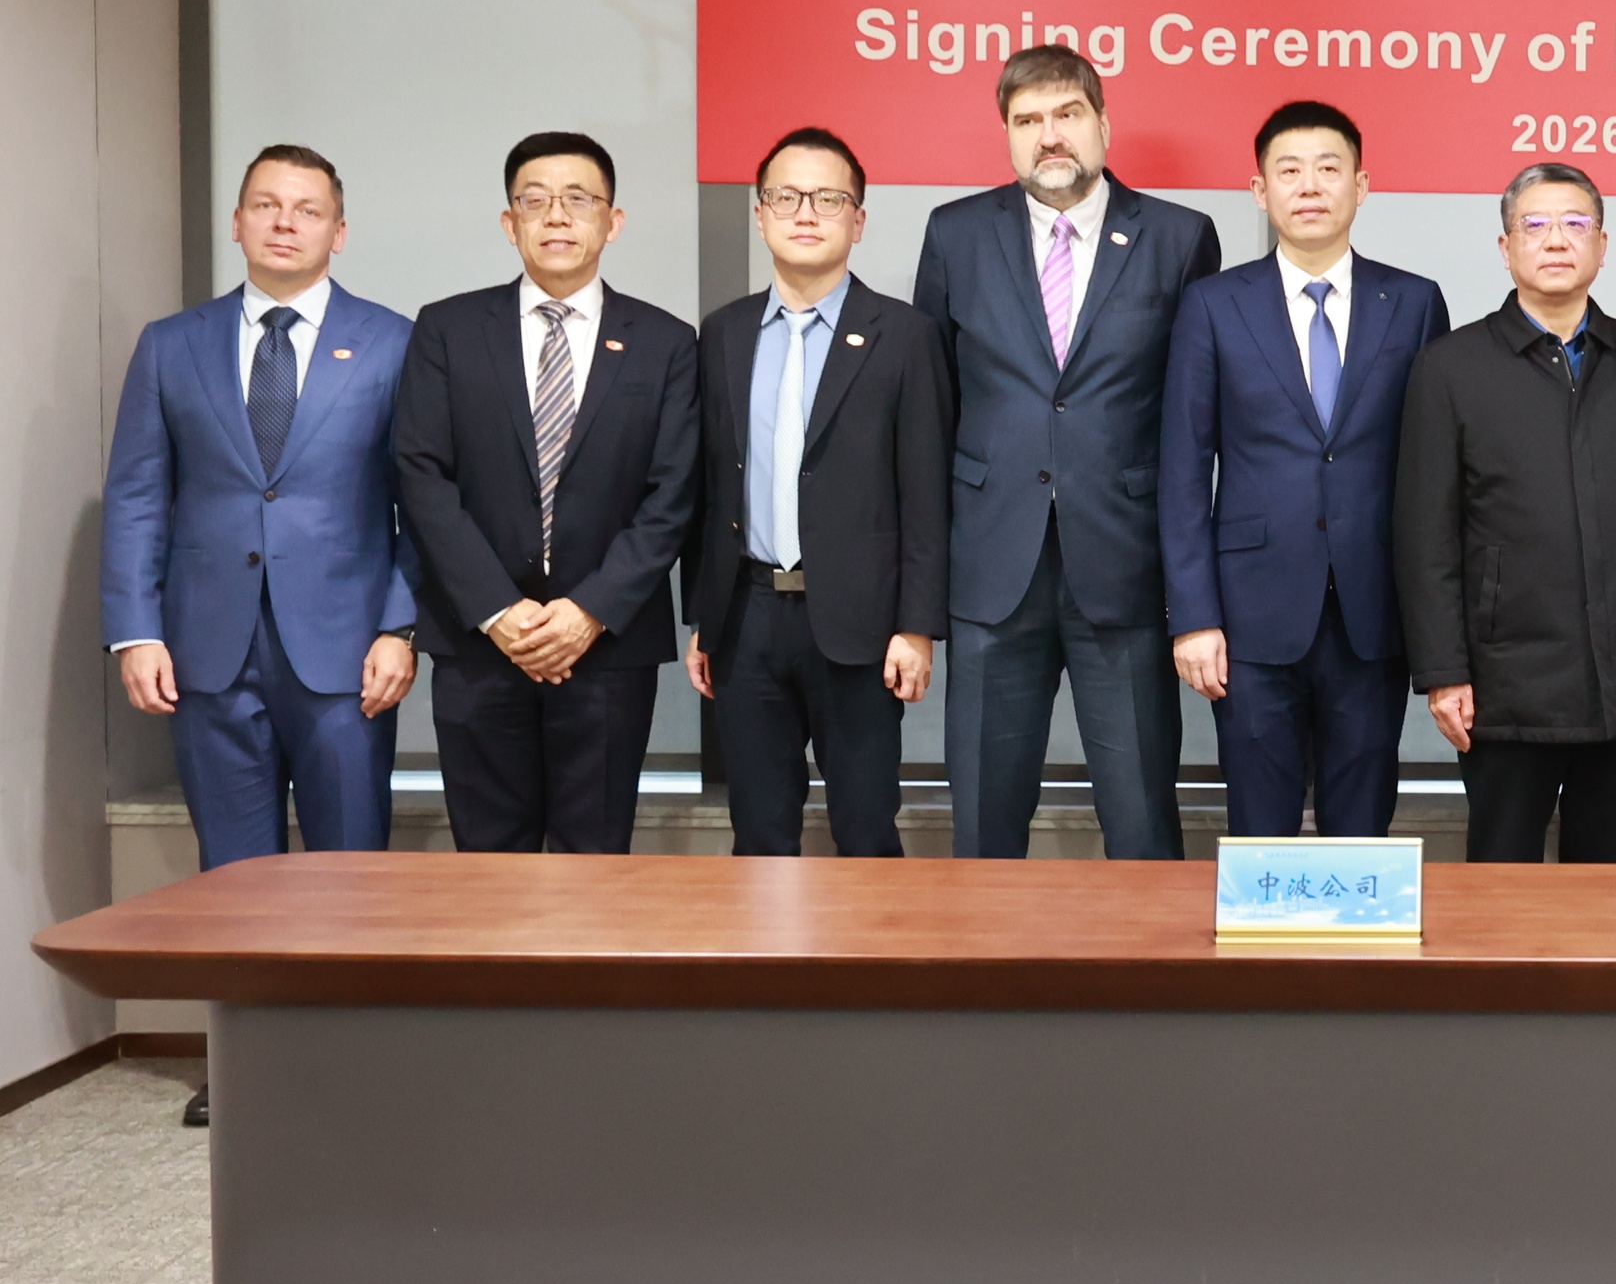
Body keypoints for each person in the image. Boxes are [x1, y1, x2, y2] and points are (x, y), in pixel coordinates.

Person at [104, 146, 416, 1129]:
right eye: (267, 205)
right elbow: (137, 495)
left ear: (339, 231)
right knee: (232, 870)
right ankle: (244, 1067)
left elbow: (423, 506)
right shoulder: (172, 344)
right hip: (207, 645)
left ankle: (347, 1064)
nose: (286, 223)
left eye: (307, 209)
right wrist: (134, 630)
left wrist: (401, 624)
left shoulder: (395, 343)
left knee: (348, 862)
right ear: (236, 221)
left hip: (345, 649)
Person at [914, 46, 1221, 860]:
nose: (1048, 136)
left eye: (1067, 114)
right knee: (983, 822)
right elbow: (933, 407)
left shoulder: (1178, 238)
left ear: (1103, 124)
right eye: (1027, 120)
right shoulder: (955, 234)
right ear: (1007, 134)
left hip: (1123, 565)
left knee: (1142, 822)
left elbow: (1192, 419)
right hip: (991, 569)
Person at [393, 132, 698, 855]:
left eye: (578, 200)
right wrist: (498, 612)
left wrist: (588, 612)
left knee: (593, 861)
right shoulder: (448, 329)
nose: (556, 216)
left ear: (613, 221)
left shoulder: (665, 341)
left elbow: (674, 492)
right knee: (488, 863)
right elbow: (421, 475)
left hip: (606, 648)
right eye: (535, 201)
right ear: (510, 223)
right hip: (479, 643)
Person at [1161, 101, 1447, 839]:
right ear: (1261, 192)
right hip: (1249, 614)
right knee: (1260, 826)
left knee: (1362, 824)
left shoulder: (1413, 302)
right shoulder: (1213, 305)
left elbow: (1434, 472)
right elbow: (1184, 470)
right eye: (1289, 171)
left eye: (1329, 168)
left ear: (1361, 185)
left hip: (1373, 608)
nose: (1310, 186)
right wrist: (1193, 616)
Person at [1393, 165, 1616, 860]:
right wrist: (1442, 671)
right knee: (1500, 882)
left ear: (1603, 245)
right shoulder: (1450, 366)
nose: (1557, 240)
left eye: (1576, 224)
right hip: (1503, 684)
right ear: (1506, 247)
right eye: (1535, 224)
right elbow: (1424, 534)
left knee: (1608, 883)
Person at [684, 129, 953, 857]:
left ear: (858, 220)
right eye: (786, 197)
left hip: (861, 628)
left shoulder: (904, 335)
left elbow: (926, 493)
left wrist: (917, 627)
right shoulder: (723, 333)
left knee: (865, 831)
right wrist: (704, 616)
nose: (805, 213)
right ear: (759, 214)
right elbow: (708, 486)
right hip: (746, 620)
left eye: (828, 198)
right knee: (758, 832)